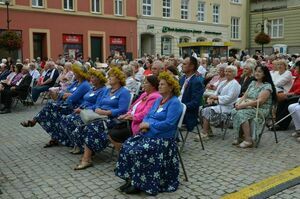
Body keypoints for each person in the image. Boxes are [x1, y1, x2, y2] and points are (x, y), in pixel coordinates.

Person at [115, 72, 183, 195]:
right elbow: (148, 115)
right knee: (127, 145)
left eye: (163, 84)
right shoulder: (158, 100)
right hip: (149, 134)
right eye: (160, 84)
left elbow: (169, 124)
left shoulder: (174, 103)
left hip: (163, 139)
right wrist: (145, 124)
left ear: (171, 87)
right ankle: (132, 179)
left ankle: (140, 183)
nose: (160, 86)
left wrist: (150, 125)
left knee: (138, 150)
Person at [73, 67, 131, 170]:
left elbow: (123, 109)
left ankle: (86, 159)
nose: (109, 78)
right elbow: (97, 104)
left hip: (113, 119)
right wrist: (97, 109)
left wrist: (107, 112)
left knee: (92, 127)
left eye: (112, 76)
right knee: (79, 123)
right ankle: (90, 150)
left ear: (118, 79)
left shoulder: (124, 92)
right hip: (99, 115)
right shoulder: (107, 90)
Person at [20, 63, 91, 147]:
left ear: (80, 74)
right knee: (52, 111)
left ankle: (35, 122)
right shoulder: (76, 83)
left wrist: (66, 95)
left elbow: (70, 99)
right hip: (66, 105)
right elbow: (64, 93)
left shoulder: (85, 85)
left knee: (51, 106)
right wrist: (66, 94)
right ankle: (54, 137)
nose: (74, 74)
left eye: (75, 72)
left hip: (76, 108)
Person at [60, 68, 108, 154]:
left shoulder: (103, 90)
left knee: (70, 120)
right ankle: (76, 143)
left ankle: (80, 145)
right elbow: (85, 100)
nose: (91, 79)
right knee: (65, 119)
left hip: (90, 113)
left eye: (93, 78)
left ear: (100, 79)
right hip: (82, 110)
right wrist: (80, 107)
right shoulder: (93, 88)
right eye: (91, 77)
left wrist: (83, 109)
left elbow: (97, 105)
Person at [108, 75, 160, 151]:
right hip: (129, 120)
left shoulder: (155, 96)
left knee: (112, 133)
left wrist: (130, 117)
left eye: (146, 83)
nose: (143, 84)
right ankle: (124, 152)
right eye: (144, 82)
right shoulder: (144, 94)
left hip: (137, 124)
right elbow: (132, 107)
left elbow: (145, 113)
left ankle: (124, 152)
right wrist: (126, 114)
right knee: (109, 127)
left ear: (153, 85)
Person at [232, 64, 276, 148]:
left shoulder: (267, 86)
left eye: (259, 71)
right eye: (256, 71)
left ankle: (248, 140)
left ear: (264, 74)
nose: (257, 73)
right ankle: (240, 136)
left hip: (261, 109)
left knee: (241, 113)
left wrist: (242, 106)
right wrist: (239, 103)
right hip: (249, 106)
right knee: (234, 110)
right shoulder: (252, 82)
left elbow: (259, 102)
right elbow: (245, 95)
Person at [200, 65, 241, 139]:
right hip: (218, 104)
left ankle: (204, 133)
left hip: (228, 106)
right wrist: (211, 99)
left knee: (207, 110)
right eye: (226, 71)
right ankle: (209, 131)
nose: (227, 73)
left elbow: (229, 98)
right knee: (200, 108)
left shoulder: (235, 84)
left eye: (229, 72)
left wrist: (216, 98)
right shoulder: (223, 82)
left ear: (234, 73)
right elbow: (216, 92)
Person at [179, 56, 204, 133]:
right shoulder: (182, 78)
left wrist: (179, 107)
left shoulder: (196, 82)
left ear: (192, 66)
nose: (181, 65)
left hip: (187, 114)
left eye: (184, 64)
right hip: (177, 109)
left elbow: (194, 103)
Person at [273, 61, 300, 130]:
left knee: (289, 103)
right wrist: (287, 94)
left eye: (296, 68)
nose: (295, 70)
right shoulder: (298, 77)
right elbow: (292, 88)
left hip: (298, 96)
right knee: (282, 101)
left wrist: (291, 94)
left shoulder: (289, 73)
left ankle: (282, 125)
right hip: (294, 94)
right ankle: (277, 121)